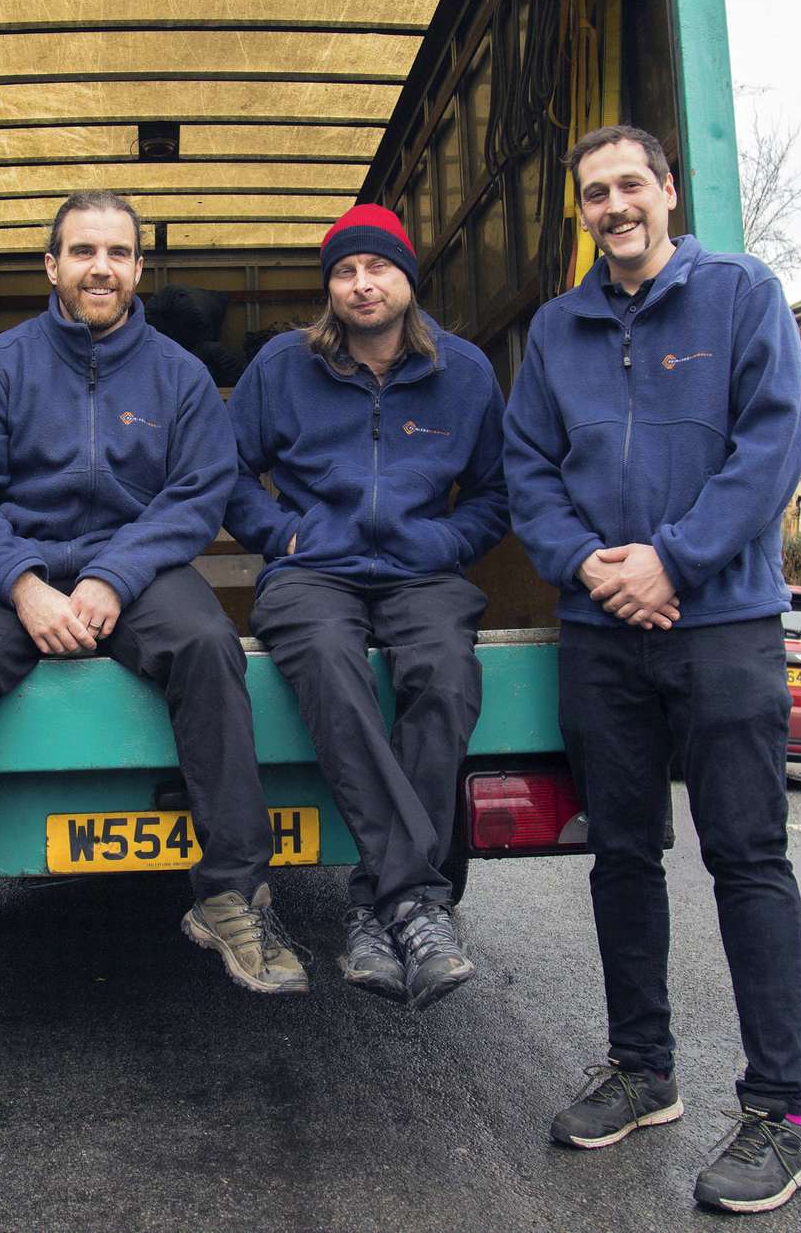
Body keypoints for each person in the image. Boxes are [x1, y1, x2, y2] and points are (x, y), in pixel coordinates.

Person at [0, 190, 307, 1028]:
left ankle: (232, 896)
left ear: (138, 269)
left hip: (135, 570)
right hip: (9, 571)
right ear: (51, 265)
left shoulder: (178, 375)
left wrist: (112, 577)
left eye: (118, 253)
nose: (102, 268)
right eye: (84, 251)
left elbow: (197, 493)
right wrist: (24, 585)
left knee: (209, 646)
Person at [503, 124, 801, 1214]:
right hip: (601, 629)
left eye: (629, 184)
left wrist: (670, 560)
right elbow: (527, 468)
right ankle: (642, 1069)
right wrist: (589, 565)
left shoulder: (742, 294)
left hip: (722, 622)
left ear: (668, 191)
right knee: (622, 854)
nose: (614, 206)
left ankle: (782, 1113)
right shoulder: (558, 328)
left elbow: (769, 447)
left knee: (748, 857)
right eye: (594, 193)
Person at [225, 204, 509, 1010]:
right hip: (314, 571)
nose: (361, 284)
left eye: (378, 267)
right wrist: (282, 536)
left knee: (446, 675)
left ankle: (375, 904)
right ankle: (413, 899)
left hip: (422, 572)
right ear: (330, 288)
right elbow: (227, 471)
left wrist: (446, 542)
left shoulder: (464, 372)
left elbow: (496, 491)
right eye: (345, 271)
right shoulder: (284, 365)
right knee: (326, 662)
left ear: (407, 278)